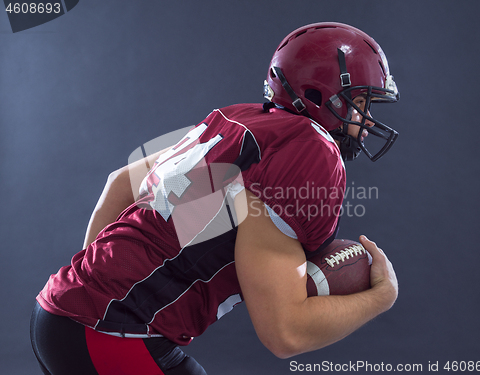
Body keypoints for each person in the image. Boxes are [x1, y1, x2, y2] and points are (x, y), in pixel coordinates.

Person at [30, 22, 399, 374]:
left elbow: (119, 182)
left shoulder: (237, 117)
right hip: (110, 331)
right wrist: (380, 297)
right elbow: (285, 332)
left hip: (59, 309)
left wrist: (95, 286)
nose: (367, 119)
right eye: (362, 101)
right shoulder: (312, 151)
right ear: (323, 95)